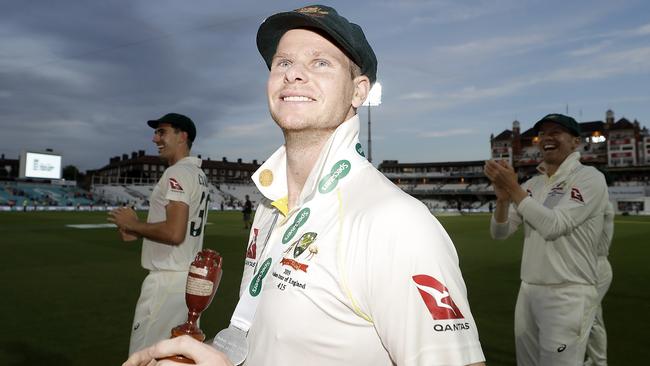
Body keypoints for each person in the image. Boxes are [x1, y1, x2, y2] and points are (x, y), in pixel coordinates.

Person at [125, 4, 485, 366]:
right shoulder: (270, 207)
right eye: (283, 62)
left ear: (359, 91)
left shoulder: (396, 222)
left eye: (320, 62)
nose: (294, 74)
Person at [484, 113, 609, 366]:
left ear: (576, 141)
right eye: (544, 133)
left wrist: (514, 189)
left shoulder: (589, 178)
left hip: (568, 292)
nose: (548, 138)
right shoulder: (533, 184)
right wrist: (502, 199)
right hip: (529, 289)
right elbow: (500, 233)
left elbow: (554, 225)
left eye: (556, 132)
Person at [109, 113, 210, 355]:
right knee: (176, 357)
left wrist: (132, 224)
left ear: (182, 136)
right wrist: (134, 229)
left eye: (162, 132)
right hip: (186, 280)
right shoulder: (198, 174)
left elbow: (175, 233)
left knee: (144, 357)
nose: (155, 138)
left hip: (167, 280)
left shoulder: (176, 173)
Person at [585, 199, 614, 366]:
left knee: (590, 316)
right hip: (587, 266)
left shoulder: (602, 204)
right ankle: (595, 359)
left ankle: (599, 362)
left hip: (597, 267)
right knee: (594, 316)